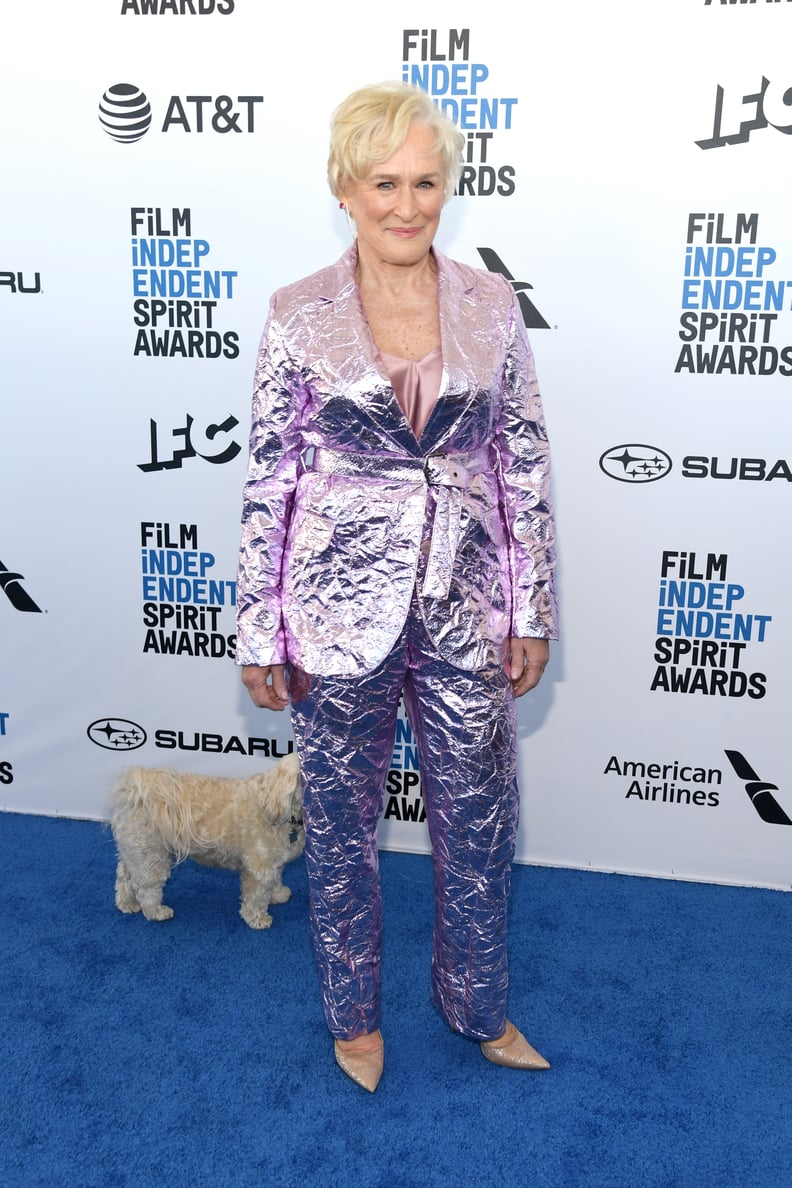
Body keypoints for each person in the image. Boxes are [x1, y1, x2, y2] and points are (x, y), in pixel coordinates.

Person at [236, 80, 558, 1093]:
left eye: (425, 182)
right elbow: (270, 478)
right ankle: (353, 1016)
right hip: (333, 610)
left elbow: (521, 465)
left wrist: (529, 607)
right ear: (345, 186)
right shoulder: (297, 315)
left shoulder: (491, 303)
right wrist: (259, 627)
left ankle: (478, 1005)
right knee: (339, 826)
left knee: (484, 816)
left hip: (464, 603)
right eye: (385, 182)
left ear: (447, 188)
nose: (407, 204)